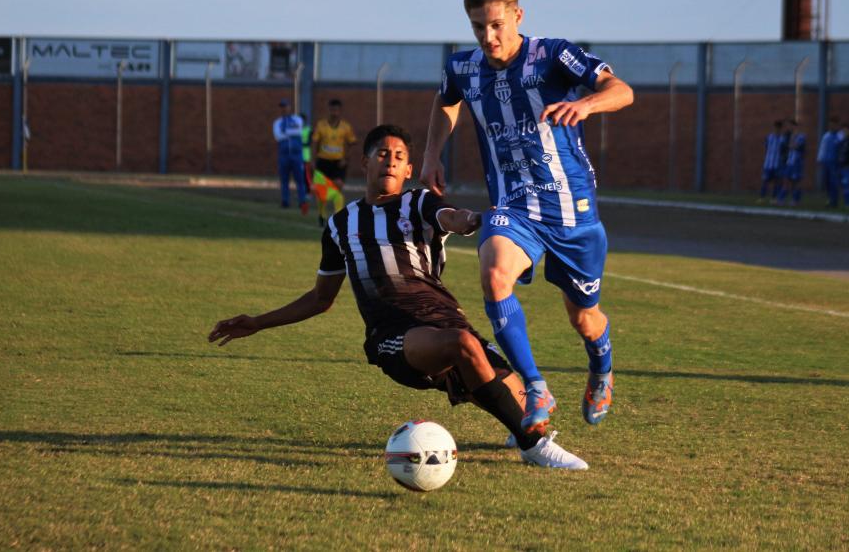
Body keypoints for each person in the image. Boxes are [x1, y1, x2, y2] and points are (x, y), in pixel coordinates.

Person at [209, 124, 588, 470]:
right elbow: (321, 299)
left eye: (400, 157)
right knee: (464, 349)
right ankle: (533, 446)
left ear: (409, 171)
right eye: (382, 154)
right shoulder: (340, 225)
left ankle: (516, 422)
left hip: (446, 321)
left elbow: (451, 217)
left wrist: (476, 220)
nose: (390, 161)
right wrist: (257, 322)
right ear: (365, 162)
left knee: (525, 405)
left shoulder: (419, 202)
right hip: (393, 337)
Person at [419, 0, 634, 435]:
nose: (488, 36)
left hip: (571, 211)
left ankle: (602, 366)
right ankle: (535, 386)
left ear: (518, 15)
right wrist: (431, 154)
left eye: (496, 24)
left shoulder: (554, 54)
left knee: (584, 318)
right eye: (478, 27)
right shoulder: (462, 67)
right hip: (512, 206)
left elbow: (622, 91)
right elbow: (445, 102)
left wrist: (587, 106)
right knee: (494, 272)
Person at [312, 98, 357, 192]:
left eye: (336, 110)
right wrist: (313, 158)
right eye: (332, 110)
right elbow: (315, 142)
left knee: (338, 184)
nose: (334, 113)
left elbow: (351, 143)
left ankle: (337, 205)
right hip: (323, 160)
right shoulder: (321, 124)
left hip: (338, 161)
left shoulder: (346, 126)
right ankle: (322, 205)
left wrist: (346, 159)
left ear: (340, 111)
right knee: (320, 187)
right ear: (328, 110)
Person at [272, 99, 308, 214]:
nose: (283, 109)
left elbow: (298, 131)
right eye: (281, 107)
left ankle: (302, 200)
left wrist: (286, 132)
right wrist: (290, 132)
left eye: (285, 106)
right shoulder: (277, 122)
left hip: (297, 154)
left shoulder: (297, 119)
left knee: (300, 179)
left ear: (290, 107)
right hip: (284, 155)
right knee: (284, 180)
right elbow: (278, 136)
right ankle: (285, 201)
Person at [779, 118, 806, 206]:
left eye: (791, 126)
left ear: (795, 126)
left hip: (797, 162)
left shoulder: (801, 136)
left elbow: (798, 147)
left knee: (796, 182)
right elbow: (785, 147)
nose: (789, 128)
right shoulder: (787, 136)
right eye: (788, 126)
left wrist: (792, 143)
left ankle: (796, 200)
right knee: (786, 180)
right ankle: (781, 199)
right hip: (789, 162)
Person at [816, 115, 841, 207]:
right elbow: (822, 148)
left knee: (834, 182)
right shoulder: (826, 136)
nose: (832, 126)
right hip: (826, 162)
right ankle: (830, 199)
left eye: (834, 124)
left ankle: (834, 201)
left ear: (837, 125)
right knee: (827, 182)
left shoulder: (840, 136)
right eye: (831, 124)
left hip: (835, 163)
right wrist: (820, 159)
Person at [759, 120, 785, 203]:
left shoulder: (782, 139)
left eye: (778, 128)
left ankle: (774, 197)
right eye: (775, 127)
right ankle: (762, 197)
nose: (776, 129)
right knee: (765, 180)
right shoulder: (769, 137)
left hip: (777, 163)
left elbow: (784, 151)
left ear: (780, 128)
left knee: (777, 181)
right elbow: (766, 147)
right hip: (768, 163)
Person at [837, 123, 849, 208]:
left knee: (847, 184)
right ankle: (846, 202)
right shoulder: (842, 141)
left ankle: (848, 203)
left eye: (847, 130)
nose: (845, 132)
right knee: (843, 185)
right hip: (841, 166)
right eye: (844, 130)